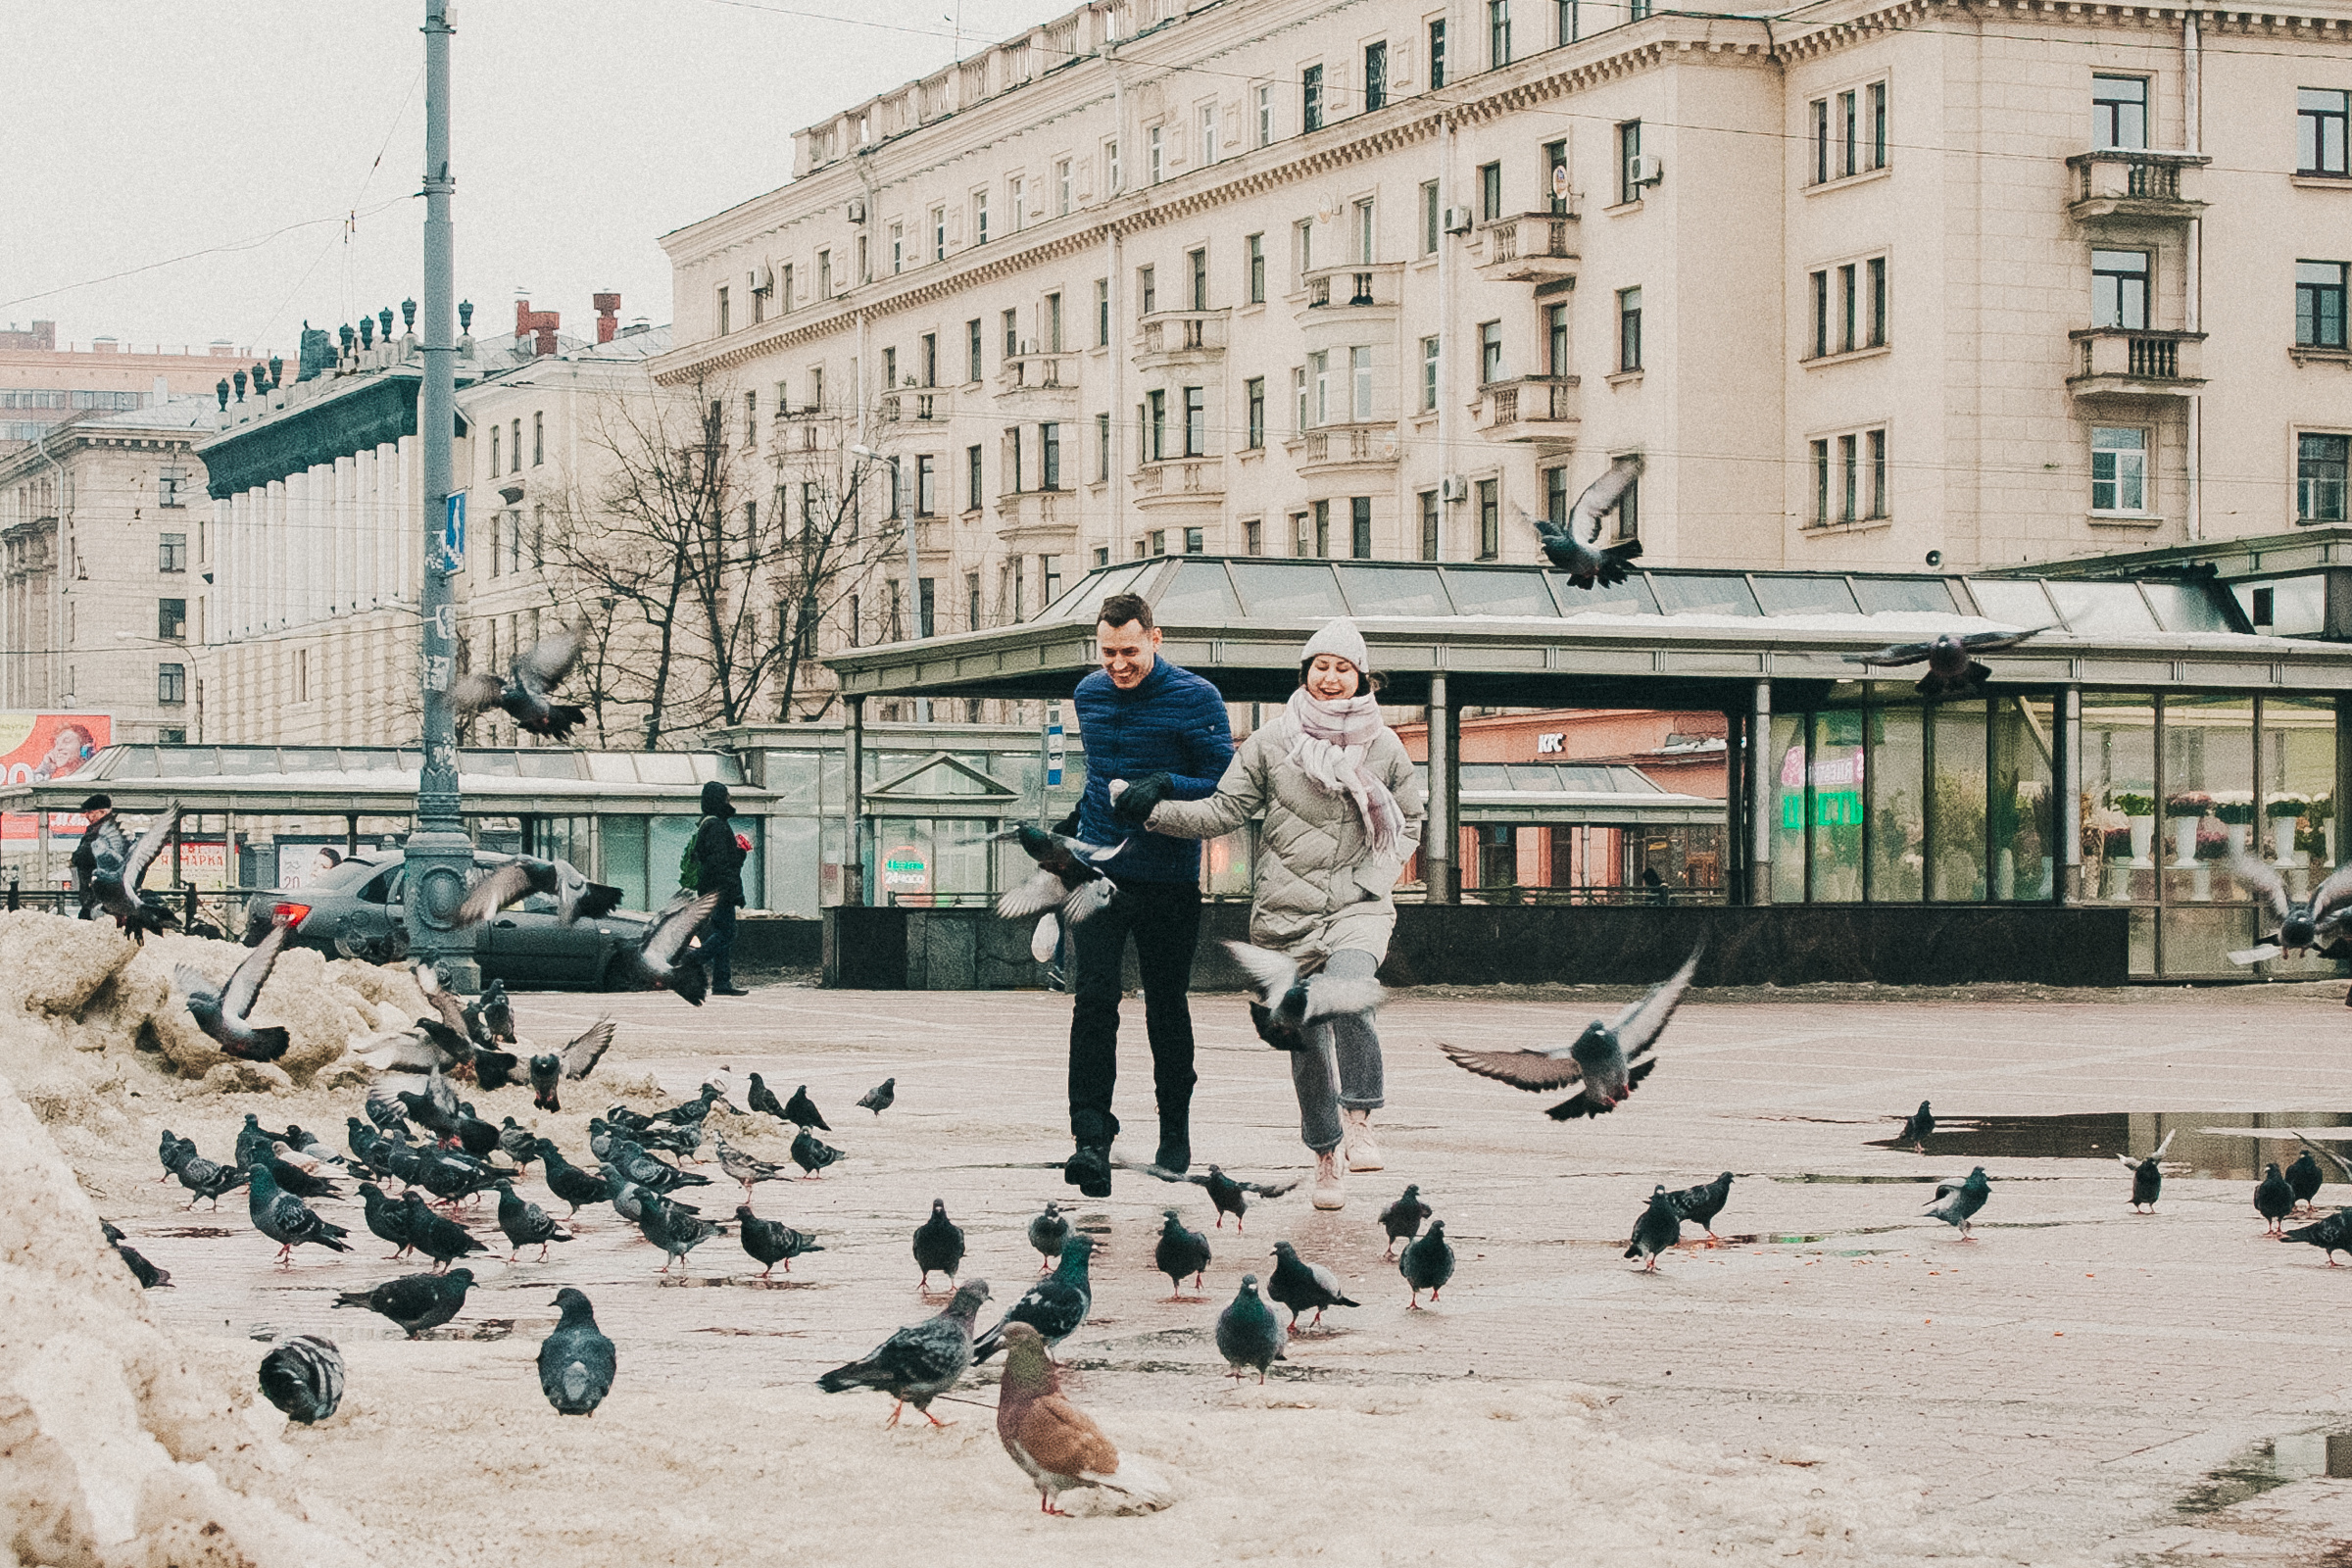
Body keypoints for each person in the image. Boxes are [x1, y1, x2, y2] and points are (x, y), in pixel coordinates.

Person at [1139, 620, 1424, 1211]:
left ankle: (1363, 1118)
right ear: (1305, 674)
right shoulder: (1271, 742)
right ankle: (1325, 1157)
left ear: (1362, 677)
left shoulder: (1385, 745)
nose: (1331, 676)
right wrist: (1152, 812)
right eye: (1321, 665)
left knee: (1348, 990)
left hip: (1356, 905)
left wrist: (1373, 883)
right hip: (1283, 916)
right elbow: (1224, 809)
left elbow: (1411, 821)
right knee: (1305, 1039)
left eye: (1343, 667)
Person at [1061, 591, 1235, 1198]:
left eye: (1129, 651)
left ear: (1155, 639)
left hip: (1168, 876)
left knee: (1166, 1005)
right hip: (1098, 872)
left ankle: (1174, 1130)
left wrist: (1163, 785)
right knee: (1093, 1001)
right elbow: (1095, 773)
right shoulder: (1088, 694)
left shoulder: (1197, 697)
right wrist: (1070, 830)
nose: (1117, 664)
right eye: (1107, 652)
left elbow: (1223, 781)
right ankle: (1090, 1139)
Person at [690, 779, 750, 997]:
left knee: (721, 931)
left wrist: (738, 853)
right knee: (726, 932)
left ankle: (722, 981)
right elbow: (720, 863)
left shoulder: (708, 823)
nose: (729, 799)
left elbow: (720, 860)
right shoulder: (717, 826)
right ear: (719, 799)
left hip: (712, 888)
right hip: (720, 889)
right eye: (726, 796)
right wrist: (733, 890)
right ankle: (693, 961)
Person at [70, 793, 114, 919]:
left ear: (102, 812)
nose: (87, 816)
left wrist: (75, 858)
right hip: (93, 897)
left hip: (99, 898)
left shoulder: (102, 833)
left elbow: (84, 856)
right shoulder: (96, 831)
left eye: (90, 812)